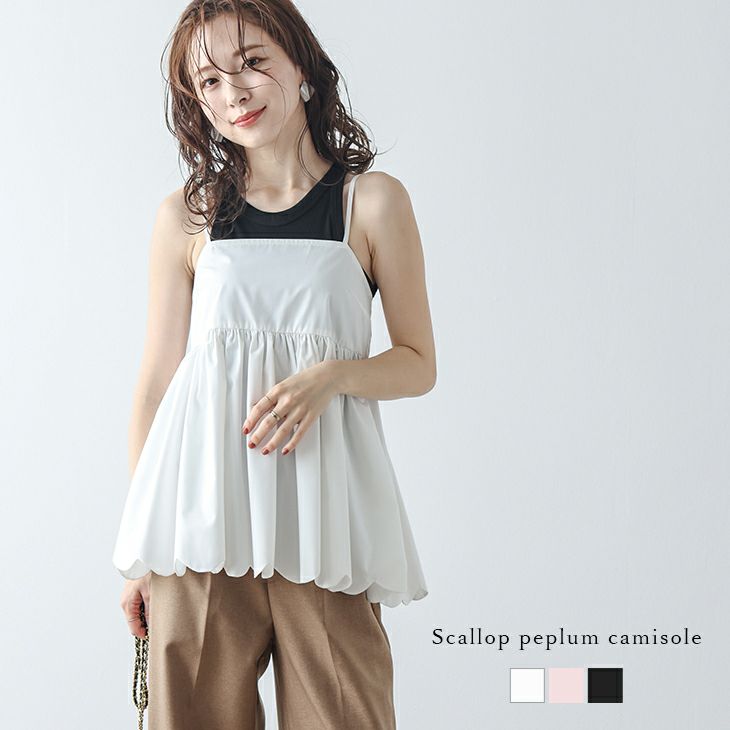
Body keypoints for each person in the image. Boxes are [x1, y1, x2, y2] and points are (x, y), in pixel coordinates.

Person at [113, 1, 436, 727]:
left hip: (325, 520)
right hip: (199, 523)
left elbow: (418, 362)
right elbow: (156, 387)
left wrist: (333, 377)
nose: (235, 92)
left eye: (253, 63)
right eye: (210, 80)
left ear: (303, 66)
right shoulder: (187, 216)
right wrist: (140, 549)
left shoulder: (370, 203)